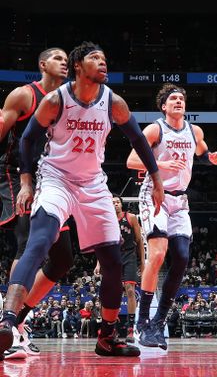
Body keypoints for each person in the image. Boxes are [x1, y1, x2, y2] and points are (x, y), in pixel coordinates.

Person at [0, 41, 164, 357]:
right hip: (56, 180)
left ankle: (107, 337)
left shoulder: (113, 102)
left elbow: (138, 140)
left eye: (105, 58)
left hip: (92, 185)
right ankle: (8, 321)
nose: (103, 62)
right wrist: (25, 182)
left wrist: (156, 179)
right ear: (79, 66)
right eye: (95, 58)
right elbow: (28, 140)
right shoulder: (54, 100)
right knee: (40, 242)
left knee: (114, 261)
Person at [129, 83, 217, 350]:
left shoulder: (195, 131)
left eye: (181, 98)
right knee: (158, 254)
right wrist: (160, 164)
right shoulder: (155, 129)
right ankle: (142, 323)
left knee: (181, 257)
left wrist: (211, 157)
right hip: (155, 193)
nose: (178, 101)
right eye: (173, 98)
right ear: (163, 106)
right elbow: (132, 160)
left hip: (180, 200)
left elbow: (202, 152)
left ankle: (159, 322)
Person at [0, 48, 77, 359]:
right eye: (58, 57)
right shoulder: (23, 95)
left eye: (66, 59)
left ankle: (17, 320)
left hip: (54, 179)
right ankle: (7, 324)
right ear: (42, 64)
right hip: (19, 175)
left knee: (63, 259)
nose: (64, 62)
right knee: (26, 245)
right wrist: (23, 182)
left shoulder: (69, 99)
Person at [95, 196, 144, 340]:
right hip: (113, 255)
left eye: (117, 202)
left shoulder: (131, 217)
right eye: (112, 202)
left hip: (129, 255)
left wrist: (142, 262)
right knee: (112, 293)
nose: (115, 204)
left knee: (130, 290)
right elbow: (102, 243)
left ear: (121, 204)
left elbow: (139, 240)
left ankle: (130, 328)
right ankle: (111, 327)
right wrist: (98, 263)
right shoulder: (106, 220)